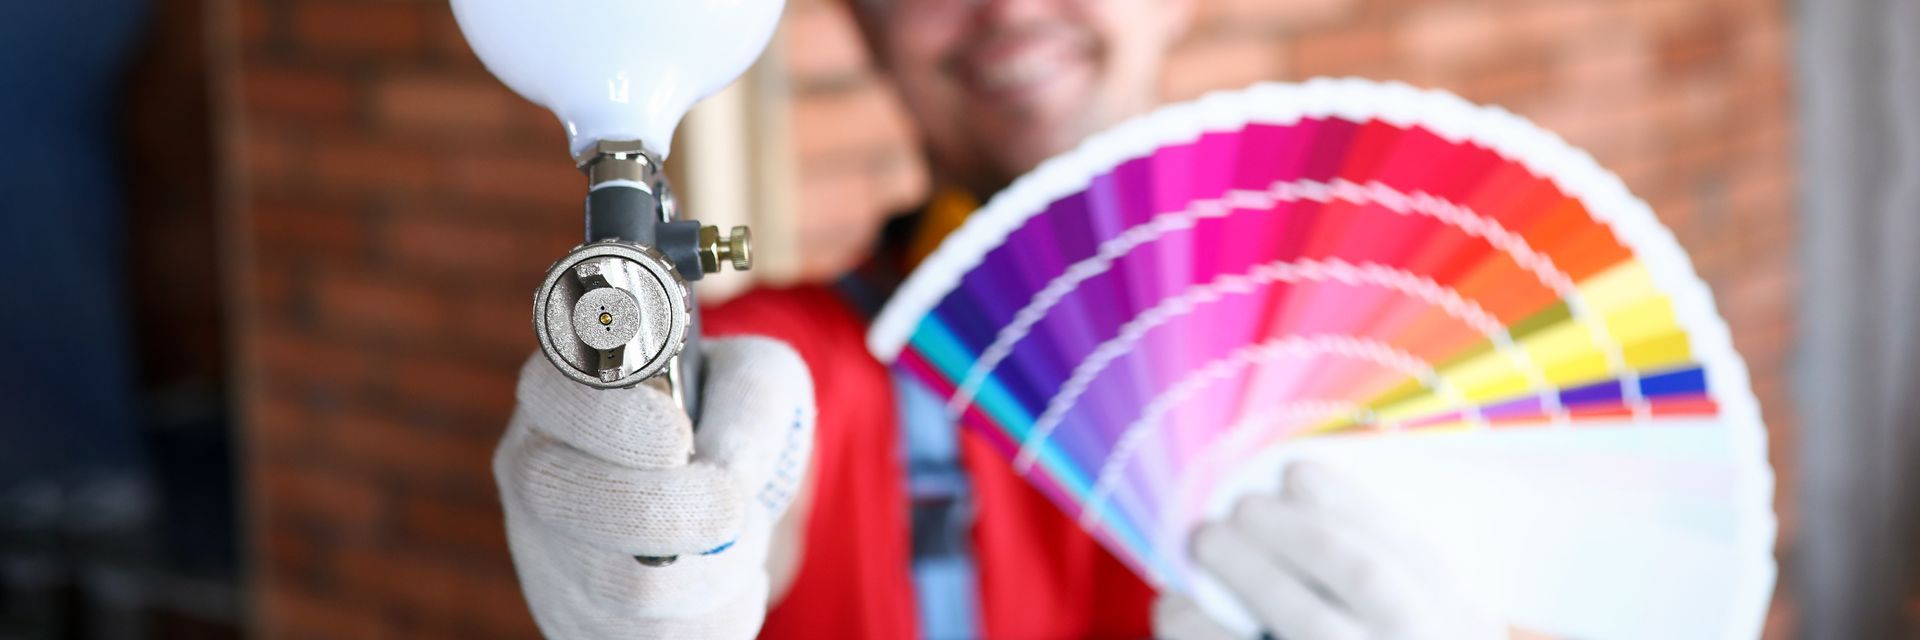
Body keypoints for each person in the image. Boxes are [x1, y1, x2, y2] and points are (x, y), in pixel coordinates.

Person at [494, 0, 1502, 637]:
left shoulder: (1394, 342)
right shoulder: (784, 361)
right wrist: (643, 552)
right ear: (860, 22)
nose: (1010, 9)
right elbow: (738, 481)